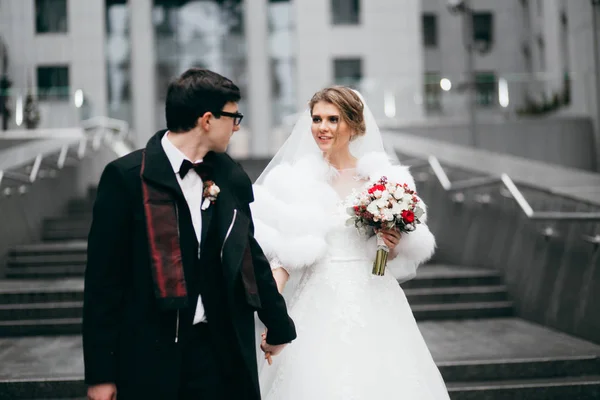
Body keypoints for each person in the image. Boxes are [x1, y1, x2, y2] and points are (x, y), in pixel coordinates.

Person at [83, 68, 296, 400]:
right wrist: (100, 374)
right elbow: (103, 284)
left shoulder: (230, 175)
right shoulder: (126, 179)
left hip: (222, 353)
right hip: (151, 357)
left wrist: (279, 325)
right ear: (208, 120)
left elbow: (248, 257)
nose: (237, 126)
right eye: (233, 116)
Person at [251, 86, 450, 399]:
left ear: (355, 125)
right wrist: (272, 315)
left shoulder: (382, 180)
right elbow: (283, 257)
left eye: (333, 119)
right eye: (317, 119)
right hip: (318, 299)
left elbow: (392, 254)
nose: (322, 127)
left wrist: (391, 242)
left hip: (375, 295)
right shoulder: (297, 181)